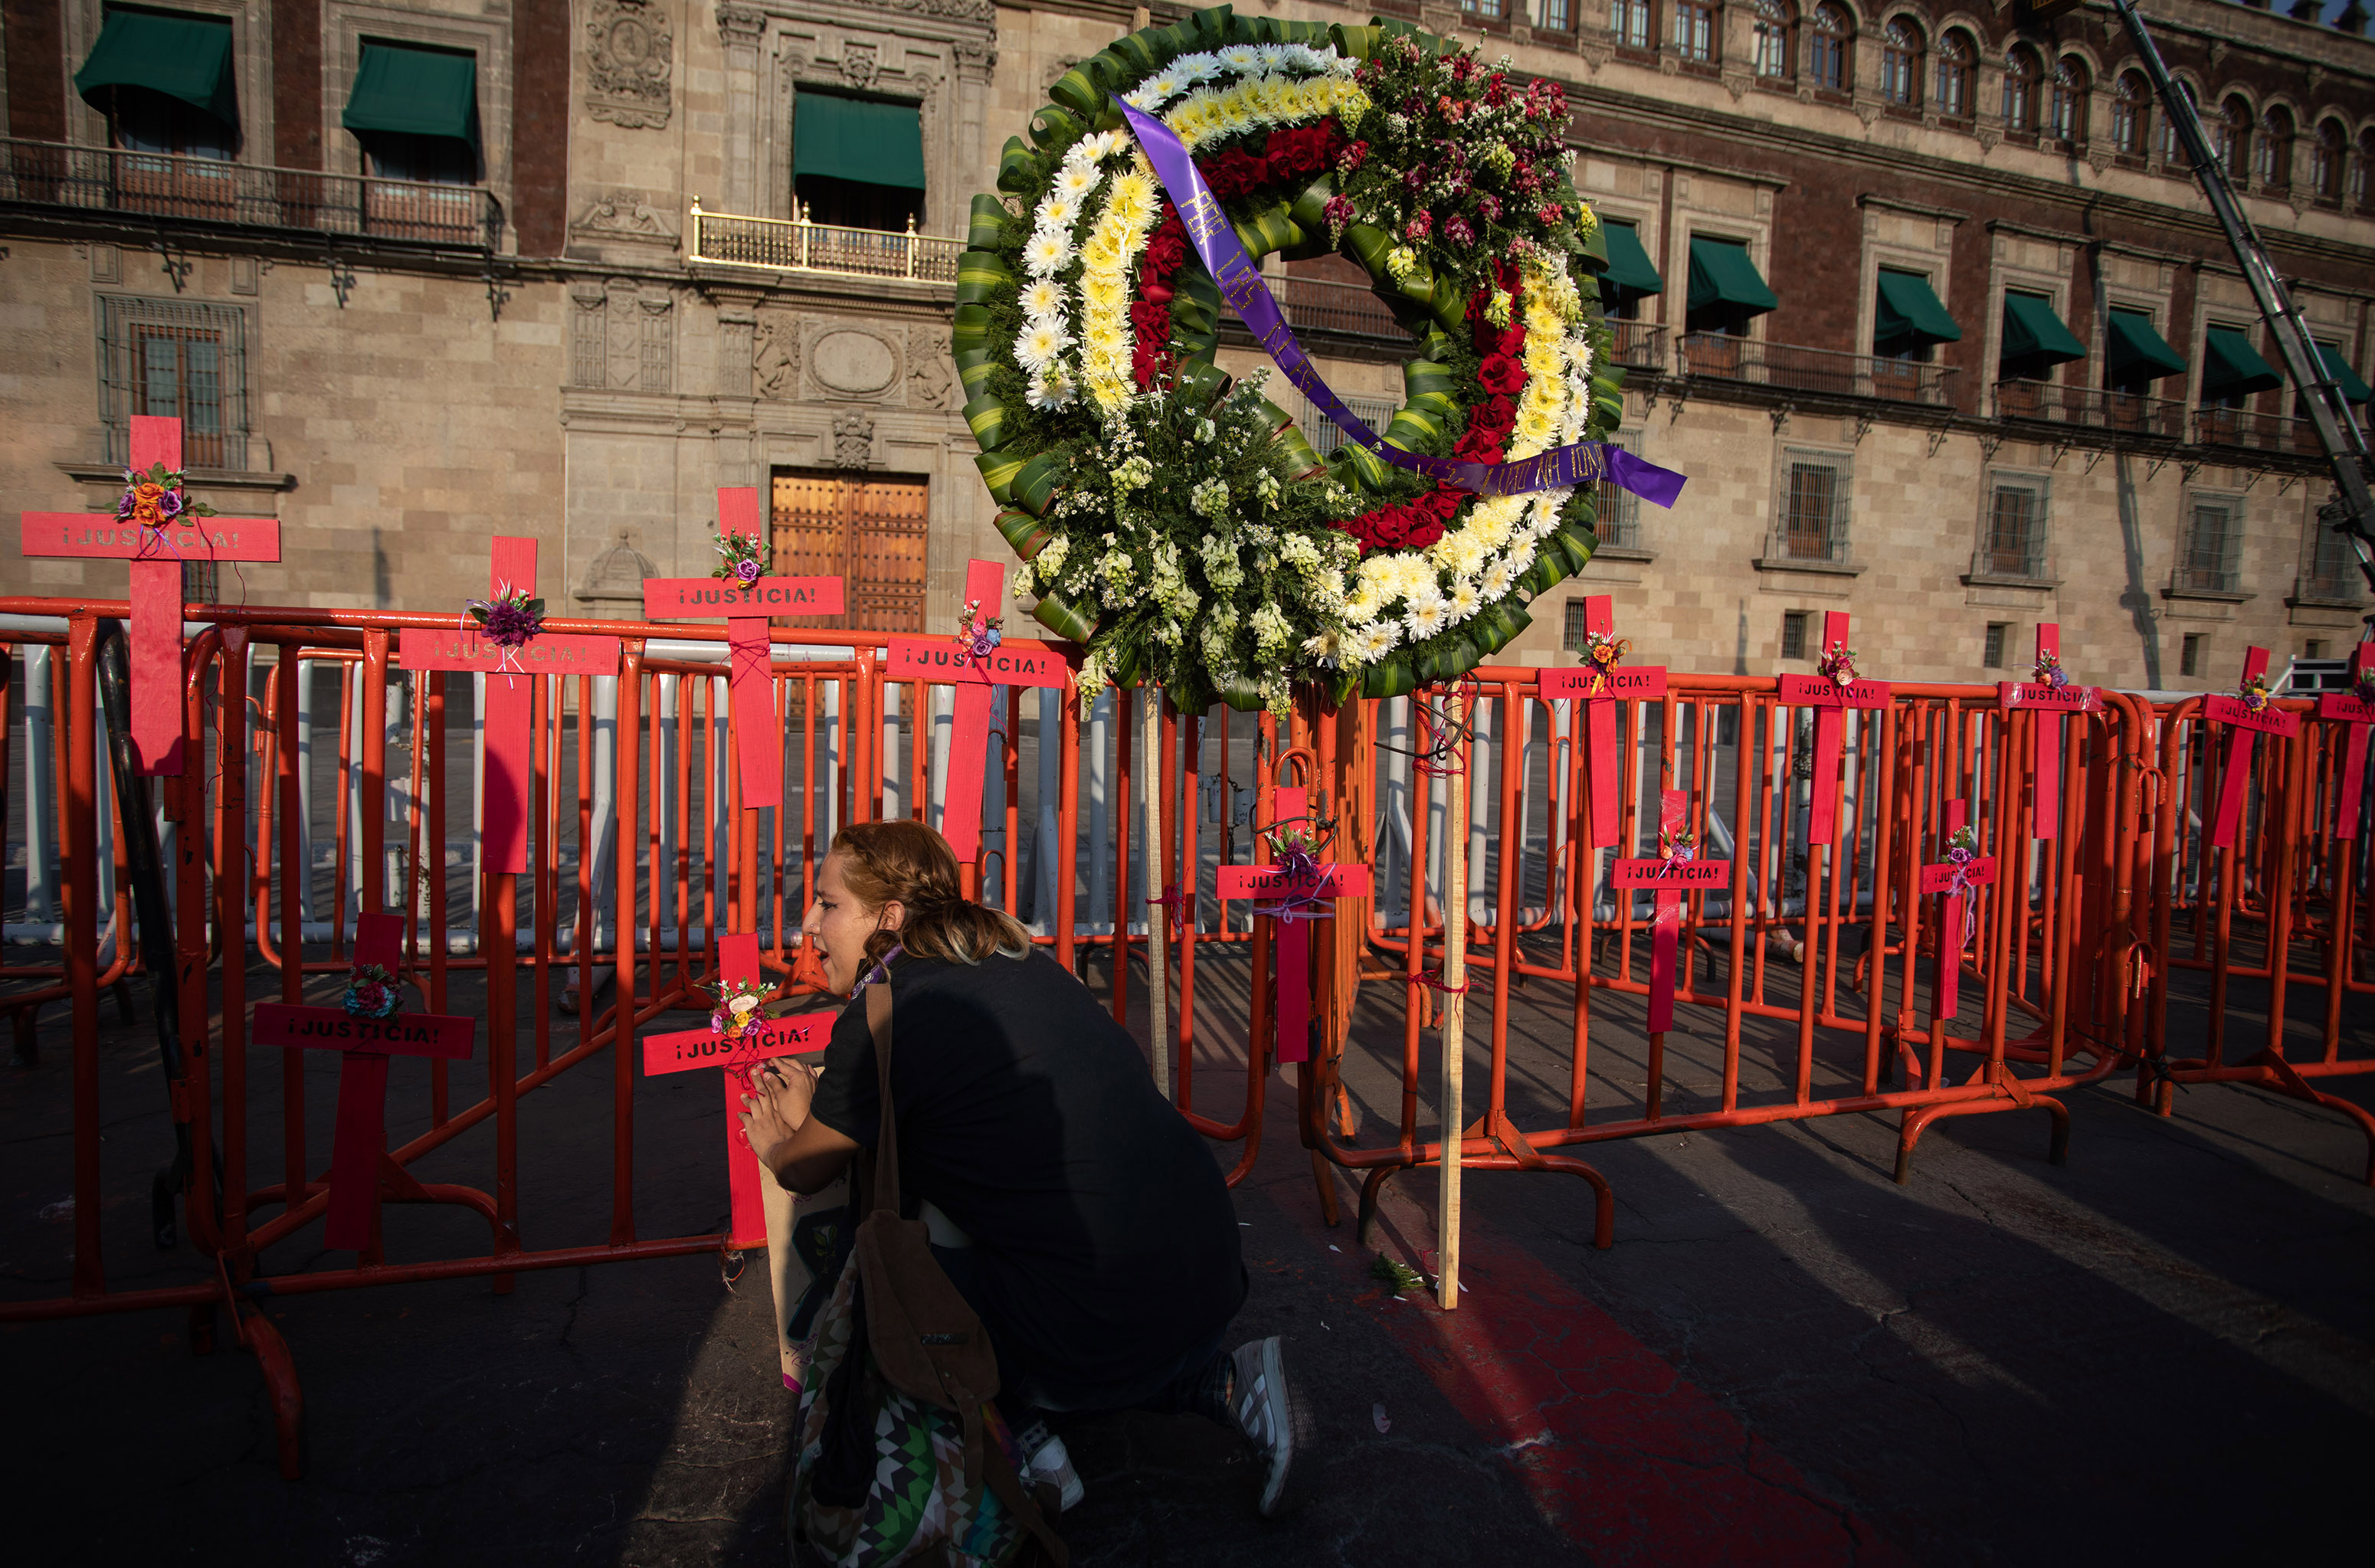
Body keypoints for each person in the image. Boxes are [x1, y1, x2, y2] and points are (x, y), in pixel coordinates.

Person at [739, 818, 1314, 1519]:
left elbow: (805, 1168)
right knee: (961, 1192)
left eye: (828, 904)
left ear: (888, 915)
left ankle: (1012, 1436)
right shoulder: (1011, 953)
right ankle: (1223, 1383)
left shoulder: (885, 1008)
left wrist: (778, 1136)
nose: (808, 923)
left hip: (1100, 1309)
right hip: (1209, 1268)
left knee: (888, 1272)